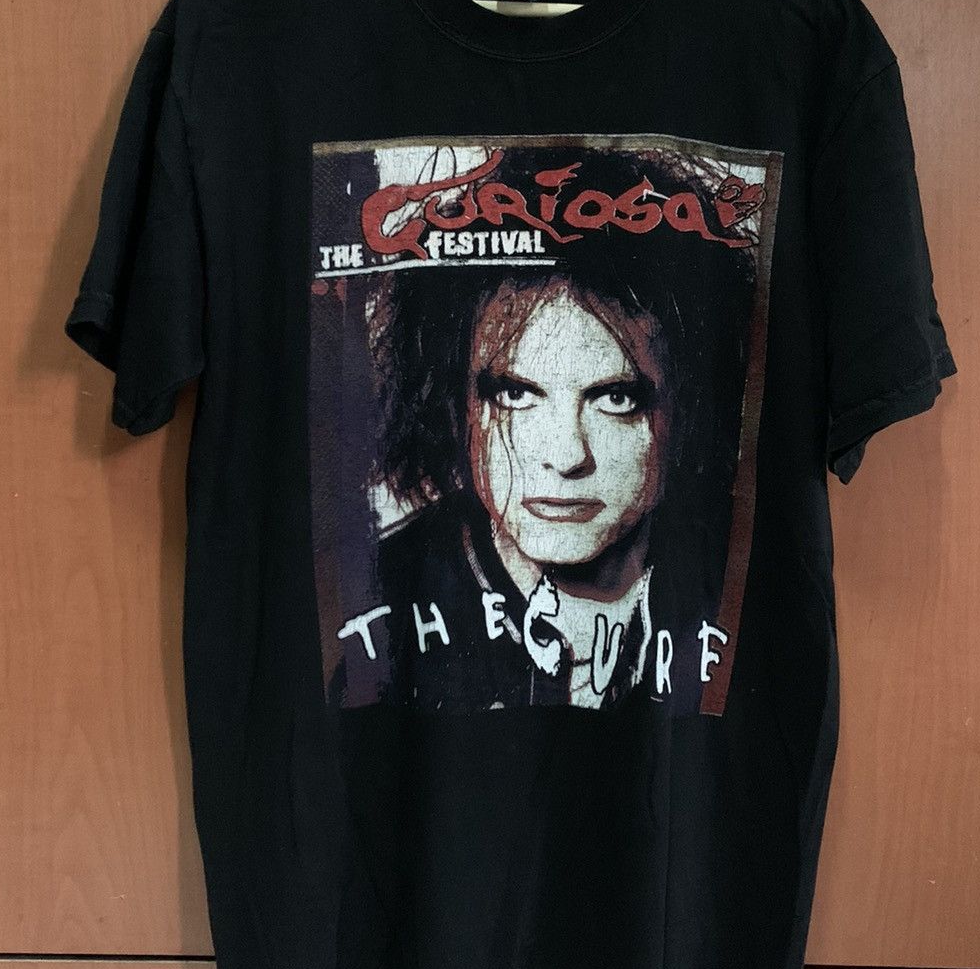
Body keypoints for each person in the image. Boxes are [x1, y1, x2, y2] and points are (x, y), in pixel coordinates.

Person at [325, 143, 759, 715]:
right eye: (516, 394)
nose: (566, 454)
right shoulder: (374, 604)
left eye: (616, 398)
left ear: (689, 408)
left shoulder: (743, 580)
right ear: (455, 405)